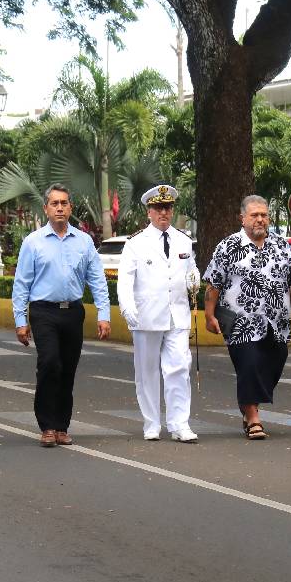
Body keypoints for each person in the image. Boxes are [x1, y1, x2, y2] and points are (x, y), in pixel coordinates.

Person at [11, 184, 111, 448]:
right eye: (54, 203)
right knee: (49, 363)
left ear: (70, 208)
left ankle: (62, 426)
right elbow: (21, 284)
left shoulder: (84, 241)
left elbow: (97, 280)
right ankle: (47, 425)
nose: (59, 208)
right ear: (46, 208)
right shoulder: (33, 242)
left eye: (64, 203)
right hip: (44, 312)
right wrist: (21, 321)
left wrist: (104, 314)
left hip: (73, 312)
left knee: (67, 370)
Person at [204, 194, 291, 440]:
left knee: (275, 361)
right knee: (249, 364)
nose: (260, 219)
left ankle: (249, 403)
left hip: (277, 322)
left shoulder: (282, 246)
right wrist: (209, 315)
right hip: (239, 322)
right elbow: (213, 283)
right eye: (254, 215)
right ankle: (252, 418)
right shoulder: (228, 246)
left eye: (264, 215)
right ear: (242, 218)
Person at [116, 185, 200, 443]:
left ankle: (179, 424)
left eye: (168, 208)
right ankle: (151, 423)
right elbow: (125, 279)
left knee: (178, 368)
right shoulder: (136, 243)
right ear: (149, 211)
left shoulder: (184, 240)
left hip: (177, 314)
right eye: (158, 208)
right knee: (147, 372)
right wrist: (127, 307)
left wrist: (194, 278)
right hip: (146, 316)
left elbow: (191, 268)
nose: (164, 212)